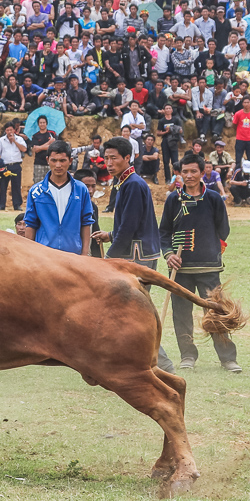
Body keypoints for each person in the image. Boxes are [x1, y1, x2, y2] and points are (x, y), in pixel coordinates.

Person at [92, 136, 174, 373]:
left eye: (113, 158)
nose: (108, 162)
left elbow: (129, 226)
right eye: (105, 158)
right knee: (132, 310)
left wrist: (109, 260)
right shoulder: (125, 182)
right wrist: (110, 234)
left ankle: (162, 364)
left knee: (134, 311)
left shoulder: (133, 184)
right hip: (138, 250)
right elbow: (129, 222)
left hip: (137, 255)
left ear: (128, 158)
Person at [159, 153, 240, 373]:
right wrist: (168, 254)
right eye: (185, 171)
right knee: (181, 313)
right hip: (180, 268)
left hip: (208, 267)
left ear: (203, 171)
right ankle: (187, 355)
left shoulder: (213, 198)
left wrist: (210, 247)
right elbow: (164, 233)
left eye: (193, 171)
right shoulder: (173, 199)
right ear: (180, 173)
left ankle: (228, 358)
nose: (189, 175)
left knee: (215, 312)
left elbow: (224, 229)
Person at [22, 140, 97, 254]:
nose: (58, 165)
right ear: (48, 160)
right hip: (45, 255)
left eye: (62, 160)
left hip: (73, 255)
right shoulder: (36, 191)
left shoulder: (81, 190)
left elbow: (86, 223)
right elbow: (31, 224)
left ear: (70, 161)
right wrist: (28, 254)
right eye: (54, 160)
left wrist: (85, 253)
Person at [0, 121, 28, 211]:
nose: (9, 132)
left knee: (16, 186)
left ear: (14, 130)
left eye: (11, 130)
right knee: (3, 186)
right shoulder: (1, 140)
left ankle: (17, 205)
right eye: (7, 130)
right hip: (5, 166)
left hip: (16, 165)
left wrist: (14, 141)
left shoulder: (19, 139)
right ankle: (1, 205)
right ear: (5, 131)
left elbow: (24, 149)